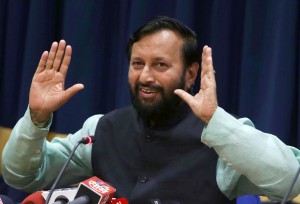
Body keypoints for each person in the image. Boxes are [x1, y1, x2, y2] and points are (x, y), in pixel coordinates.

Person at [2, 16, 300, 203]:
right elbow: (21, 177)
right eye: (137, 64)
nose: (145, 76)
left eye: (160, 65)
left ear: (191, 73)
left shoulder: (224, 137)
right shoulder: (100, 129)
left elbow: (291, 179)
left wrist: (214, 120)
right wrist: (36, 117)